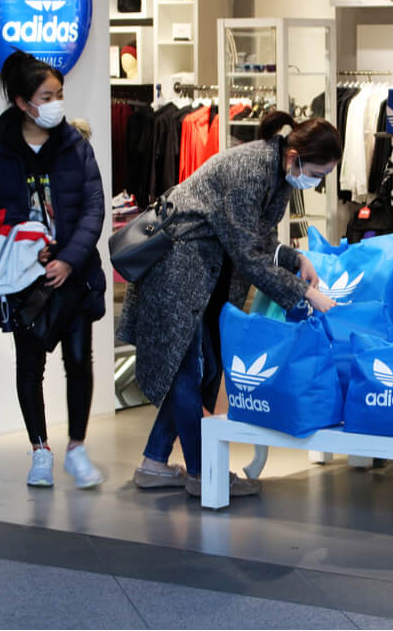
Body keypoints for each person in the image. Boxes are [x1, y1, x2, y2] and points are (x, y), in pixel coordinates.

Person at [118, 110, 341, 498]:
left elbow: (259, 240)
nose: (316, 182)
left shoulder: (279, 172)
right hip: (176, 270)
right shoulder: (249, 171)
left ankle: (154, 462)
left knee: (200, 370)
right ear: (296, 157)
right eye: (318, 173)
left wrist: (295, 259)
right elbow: (248, 255)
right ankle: (205, 475)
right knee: (186, 370)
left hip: (201, 272)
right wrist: (305, 291)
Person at [0, 50, 107, 489]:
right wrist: (27, 245)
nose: (56, 102)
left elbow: (93, 207)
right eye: (47, 95)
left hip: (77, 274)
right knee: (30, 366)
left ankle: (78, 448)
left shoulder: (75, 146)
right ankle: (40, 450)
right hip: (23, 279)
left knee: (80, 360)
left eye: (59, 94)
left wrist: (69, 258)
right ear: (22, 102)